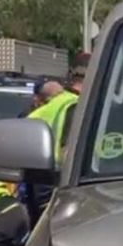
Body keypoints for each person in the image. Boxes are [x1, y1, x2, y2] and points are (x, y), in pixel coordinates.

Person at [20, 78, 79, 228]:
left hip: (46, 176)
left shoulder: (35, 115)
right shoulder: (78, 102)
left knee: (43, 225)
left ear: (39, 98)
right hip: (74, 173)